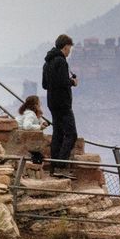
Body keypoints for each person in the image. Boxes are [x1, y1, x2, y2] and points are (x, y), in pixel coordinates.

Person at [42, 34, 79, 168]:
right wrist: (72, 82)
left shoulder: (47, 63)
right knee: (71, 135)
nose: (70, 51)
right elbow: (63, 82)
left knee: (57, 134)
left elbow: (45, 85)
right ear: (65, 47)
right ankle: (61, 165)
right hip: (63, 104)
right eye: (69, 48)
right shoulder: (62, 61)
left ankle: (54, 166)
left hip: (52, 103)